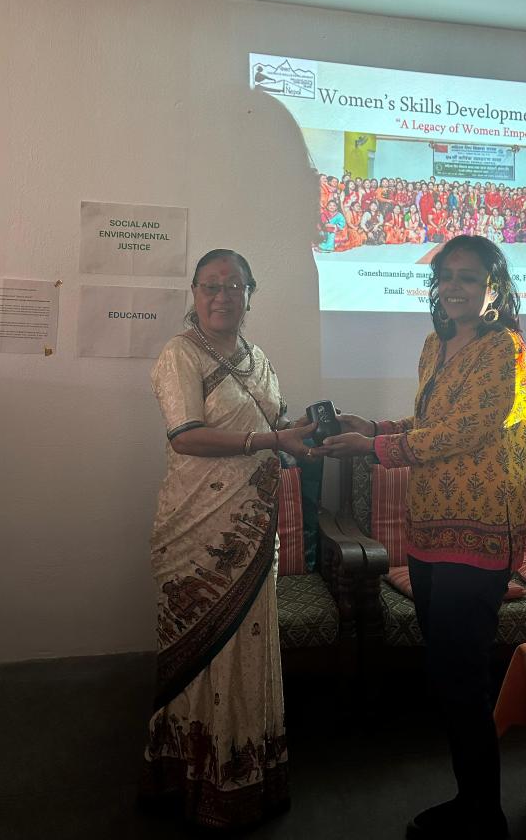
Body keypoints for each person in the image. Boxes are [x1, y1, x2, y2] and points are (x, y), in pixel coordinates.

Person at [315, 235, 526, 840]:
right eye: (447, 276)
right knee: (445, 672)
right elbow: (432, 423)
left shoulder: (504, 348)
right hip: (429, 527)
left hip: (480, 532)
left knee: (463, 677)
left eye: (469, 276)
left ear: (492, 286)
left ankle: (484, 816)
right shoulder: (435, 343)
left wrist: (375, 447)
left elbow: (467, 431)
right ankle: (470, 801)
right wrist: (374, 425)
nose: (455, 286)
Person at [140, 249, 315, 832]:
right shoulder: (180, 354)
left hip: (254, 523)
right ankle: (189, 774)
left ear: (249, 294)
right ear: (194, 293)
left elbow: (274, 424)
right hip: (198, 526)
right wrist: (269, 443)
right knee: (201, 647)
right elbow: (185, 437)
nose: (222, 296)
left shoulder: (257, 357)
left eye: (234, 286)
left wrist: (296, 437)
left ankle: (245, 771)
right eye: (210, 286)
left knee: (251, 641)